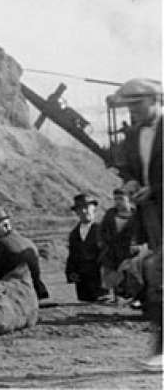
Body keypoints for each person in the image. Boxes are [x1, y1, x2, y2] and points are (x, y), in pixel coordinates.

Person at [114, 79, 162, 370]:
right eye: (129, 106)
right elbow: (128, 168)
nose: (132, 111)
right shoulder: (133, 135)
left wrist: (155, 189)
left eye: (138, 104)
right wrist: (131, 181)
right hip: (152, 217)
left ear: (155, 100)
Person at [0, 208, 49, 300]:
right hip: (36, 292)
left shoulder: (1, 244)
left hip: (16, 296)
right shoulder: (28, 242)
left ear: (5, 226)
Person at [65, 193, 107, 302]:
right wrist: (71, 272)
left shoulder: (104, 230)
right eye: (79, 209)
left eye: (86, 207)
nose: (84, 211)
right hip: (82, 284)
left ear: (94, 209)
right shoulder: (74, 234)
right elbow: (72, 255)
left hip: (101, 282)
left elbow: (109, 255)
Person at [98, 188, 136, 303]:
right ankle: (115, 296)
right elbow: (102, 229)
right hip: (112, 248)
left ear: (128, 199)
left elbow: (141, 231)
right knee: (111, 271)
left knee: (129, 272)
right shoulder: (110, 213)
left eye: (121, 199)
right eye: (115, 199)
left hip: (129, 248)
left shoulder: (136, 214)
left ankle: (132, 296)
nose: (118, 202)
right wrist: (102, 242)